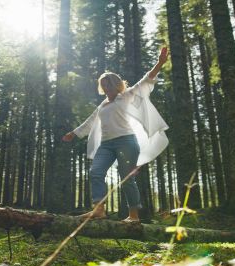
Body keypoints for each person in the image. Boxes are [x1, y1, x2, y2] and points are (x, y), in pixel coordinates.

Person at [62, 47, 170, 223]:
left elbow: (145, 82)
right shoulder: (103, 105)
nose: (105, 88)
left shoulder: (126, 96)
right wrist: (74, 133)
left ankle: (133, 216)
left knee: (127, 179)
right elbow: (90, 122)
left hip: (126, 142)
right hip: (106, 145)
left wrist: (159, 63)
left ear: (115, 84)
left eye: (107, 84)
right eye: (102, 85)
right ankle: (99, 210)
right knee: (96, 172)